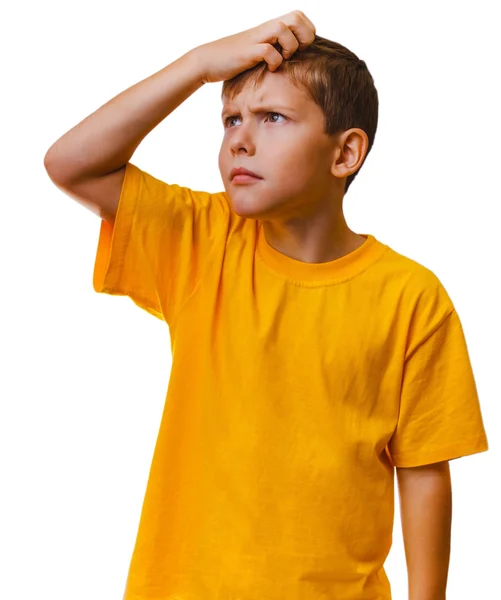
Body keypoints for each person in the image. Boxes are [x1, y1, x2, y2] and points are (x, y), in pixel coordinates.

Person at [44, 10, 489, 600]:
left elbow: (425, 469)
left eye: (272, 117)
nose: (239, 140)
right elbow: (69, 163)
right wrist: (199, 64)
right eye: (230, 120)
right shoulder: (203, 242)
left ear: (345, 153)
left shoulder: (411, 297)